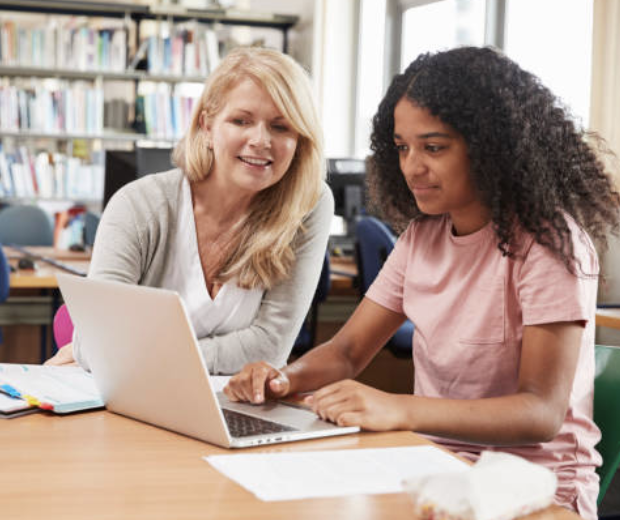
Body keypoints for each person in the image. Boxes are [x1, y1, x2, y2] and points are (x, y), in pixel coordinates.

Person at [224, 46, 620, 519]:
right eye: (402, 147)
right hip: (434, 471)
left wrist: (400, 408)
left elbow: (540, 412)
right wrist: (284, 378)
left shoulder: (551, 246)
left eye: (434, 147)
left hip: (533, 491)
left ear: (491, 146)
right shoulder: (421, 238)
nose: (412, 167)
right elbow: (347, 352)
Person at [46, 46, 332, 375]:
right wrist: (108, 351)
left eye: (281, 127)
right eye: (241, 120)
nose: (260, 140)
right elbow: (98, 345)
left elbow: (270, 348)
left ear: (300, 138)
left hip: (233, 410)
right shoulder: (138, 206)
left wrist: (137, 356)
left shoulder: (307, 202)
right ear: (207, 126)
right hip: (130, 400)